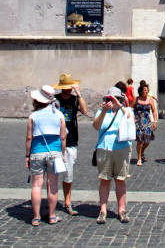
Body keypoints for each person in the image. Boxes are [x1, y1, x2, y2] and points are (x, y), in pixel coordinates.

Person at [25, 89, 66, 226]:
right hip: (55, 152)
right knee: (52, 184)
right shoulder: (59, 114)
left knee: (37, 184)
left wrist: (27, 155)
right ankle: (52, 216)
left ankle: (36, 217)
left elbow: (29, 137)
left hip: (37, 152)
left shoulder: (33, 116)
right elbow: (63, 137)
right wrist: (63, 153)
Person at [92, 87, 133, 224]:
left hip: (121, 147)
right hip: (104, 147)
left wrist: (120, 105)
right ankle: (102, 210)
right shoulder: (101, 111)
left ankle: (122, 209)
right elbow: (96, 126)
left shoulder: (125, 111)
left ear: (120, 99)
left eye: (114, 98)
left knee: (120, 179)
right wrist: (104, 111)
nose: (112, 101)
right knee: (105, 179)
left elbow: (130, 118)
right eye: (109, 98)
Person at [52, 74, 88, 216]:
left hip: (71, 139)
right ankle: (52, 203)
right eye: (65, 88)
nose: (68, 90)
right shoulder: (55, 100)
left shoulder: (74, 99)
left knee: (69, 173)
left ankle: (67, 202)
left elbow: (84, 111)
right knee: (52, 174)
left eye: (69, 88)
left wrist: (79, 94)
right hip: (55, 140)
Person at [133, 82, 158, 166]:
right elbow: (130, 108)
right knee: (140, 140)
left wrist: (155, 122)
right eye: (145, 90)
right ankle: (139, 158)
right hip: (138, 122)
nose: (146, 92)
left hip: (147, 122)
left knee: (147, 141)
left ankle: (142, 151)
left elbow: (154, 111)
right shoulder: (136, 99)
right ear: (141, 91)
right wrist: (132, 117)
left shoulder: (150, 100)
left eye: (147, 90)